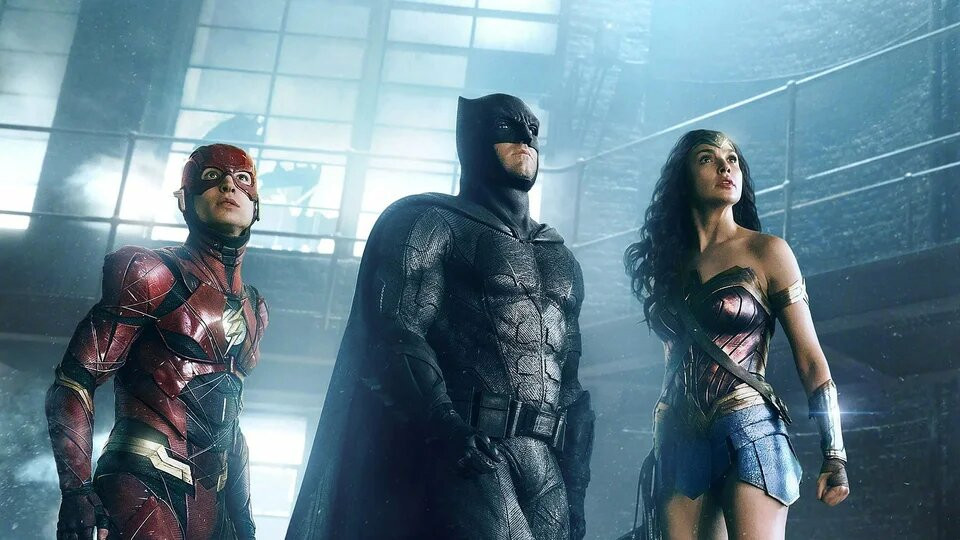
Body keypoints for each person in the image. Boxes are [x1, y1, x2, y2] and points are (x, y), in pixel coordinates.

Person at [287, 93, 594, 540]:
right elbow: (399, 331)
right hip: (470, 450)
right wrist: (445, 427)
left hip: (545, 462)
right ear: (471, 140)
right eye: (507, 126)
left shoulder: (560, 257)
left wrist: (577, 491)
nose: (526, 138)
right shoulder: (430, 222)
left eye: (533, 129)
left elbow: (570, 382)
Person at [623, 130, 849, 539]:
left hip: (750, 429)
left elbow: (810, 359)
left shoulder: (768, 252)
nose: (725, 167)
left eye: (732, 159)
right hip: (678, 435)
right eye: (707, 158)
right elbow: (674, 362)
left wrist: (834, 453)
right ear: (684, 177)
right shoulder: (669, 265)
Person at [45, 144, 269, 540]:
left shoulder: (254, 308)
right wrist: (76, 490)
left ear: (256, 206)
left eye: (242, 179)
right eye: (212, 178)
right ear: (185, 200)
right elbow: (75, 381)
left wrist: (243, 520)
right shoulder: (150, 273)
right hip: (144, 481)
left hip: (214, 500)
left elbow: (232, 424)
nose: (229, 186)